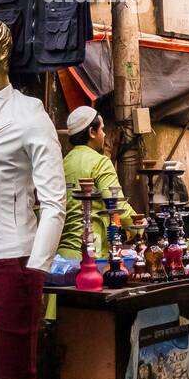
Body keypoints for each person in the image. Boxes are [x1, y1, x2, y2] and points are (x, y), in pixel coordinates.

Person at [57, 106, 136, 262]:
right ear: (92, 132)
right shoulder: (100, 162)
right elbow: (115, 203)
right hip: (93, 256)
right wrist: (138, 227)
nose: (104, 134)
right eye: (102, 129)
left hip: (62, 256)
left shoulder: (62, 163)